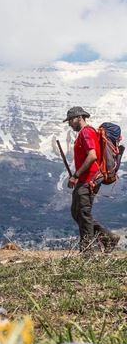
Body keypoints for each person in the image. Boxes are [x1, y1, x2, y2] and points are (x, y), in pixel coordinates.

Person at [63, 106, 119, 253]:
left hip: (89, 179)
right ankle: (107, 237)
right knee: (77, 213)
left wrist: (75, 175)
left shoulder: (87, 132)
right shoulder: (84, 133)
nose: (69, 123)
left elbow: (92, 155)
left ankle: (87, 252)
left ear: (79, 118)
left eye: (70, 120)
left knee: (83, 214)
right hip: (85, 179)